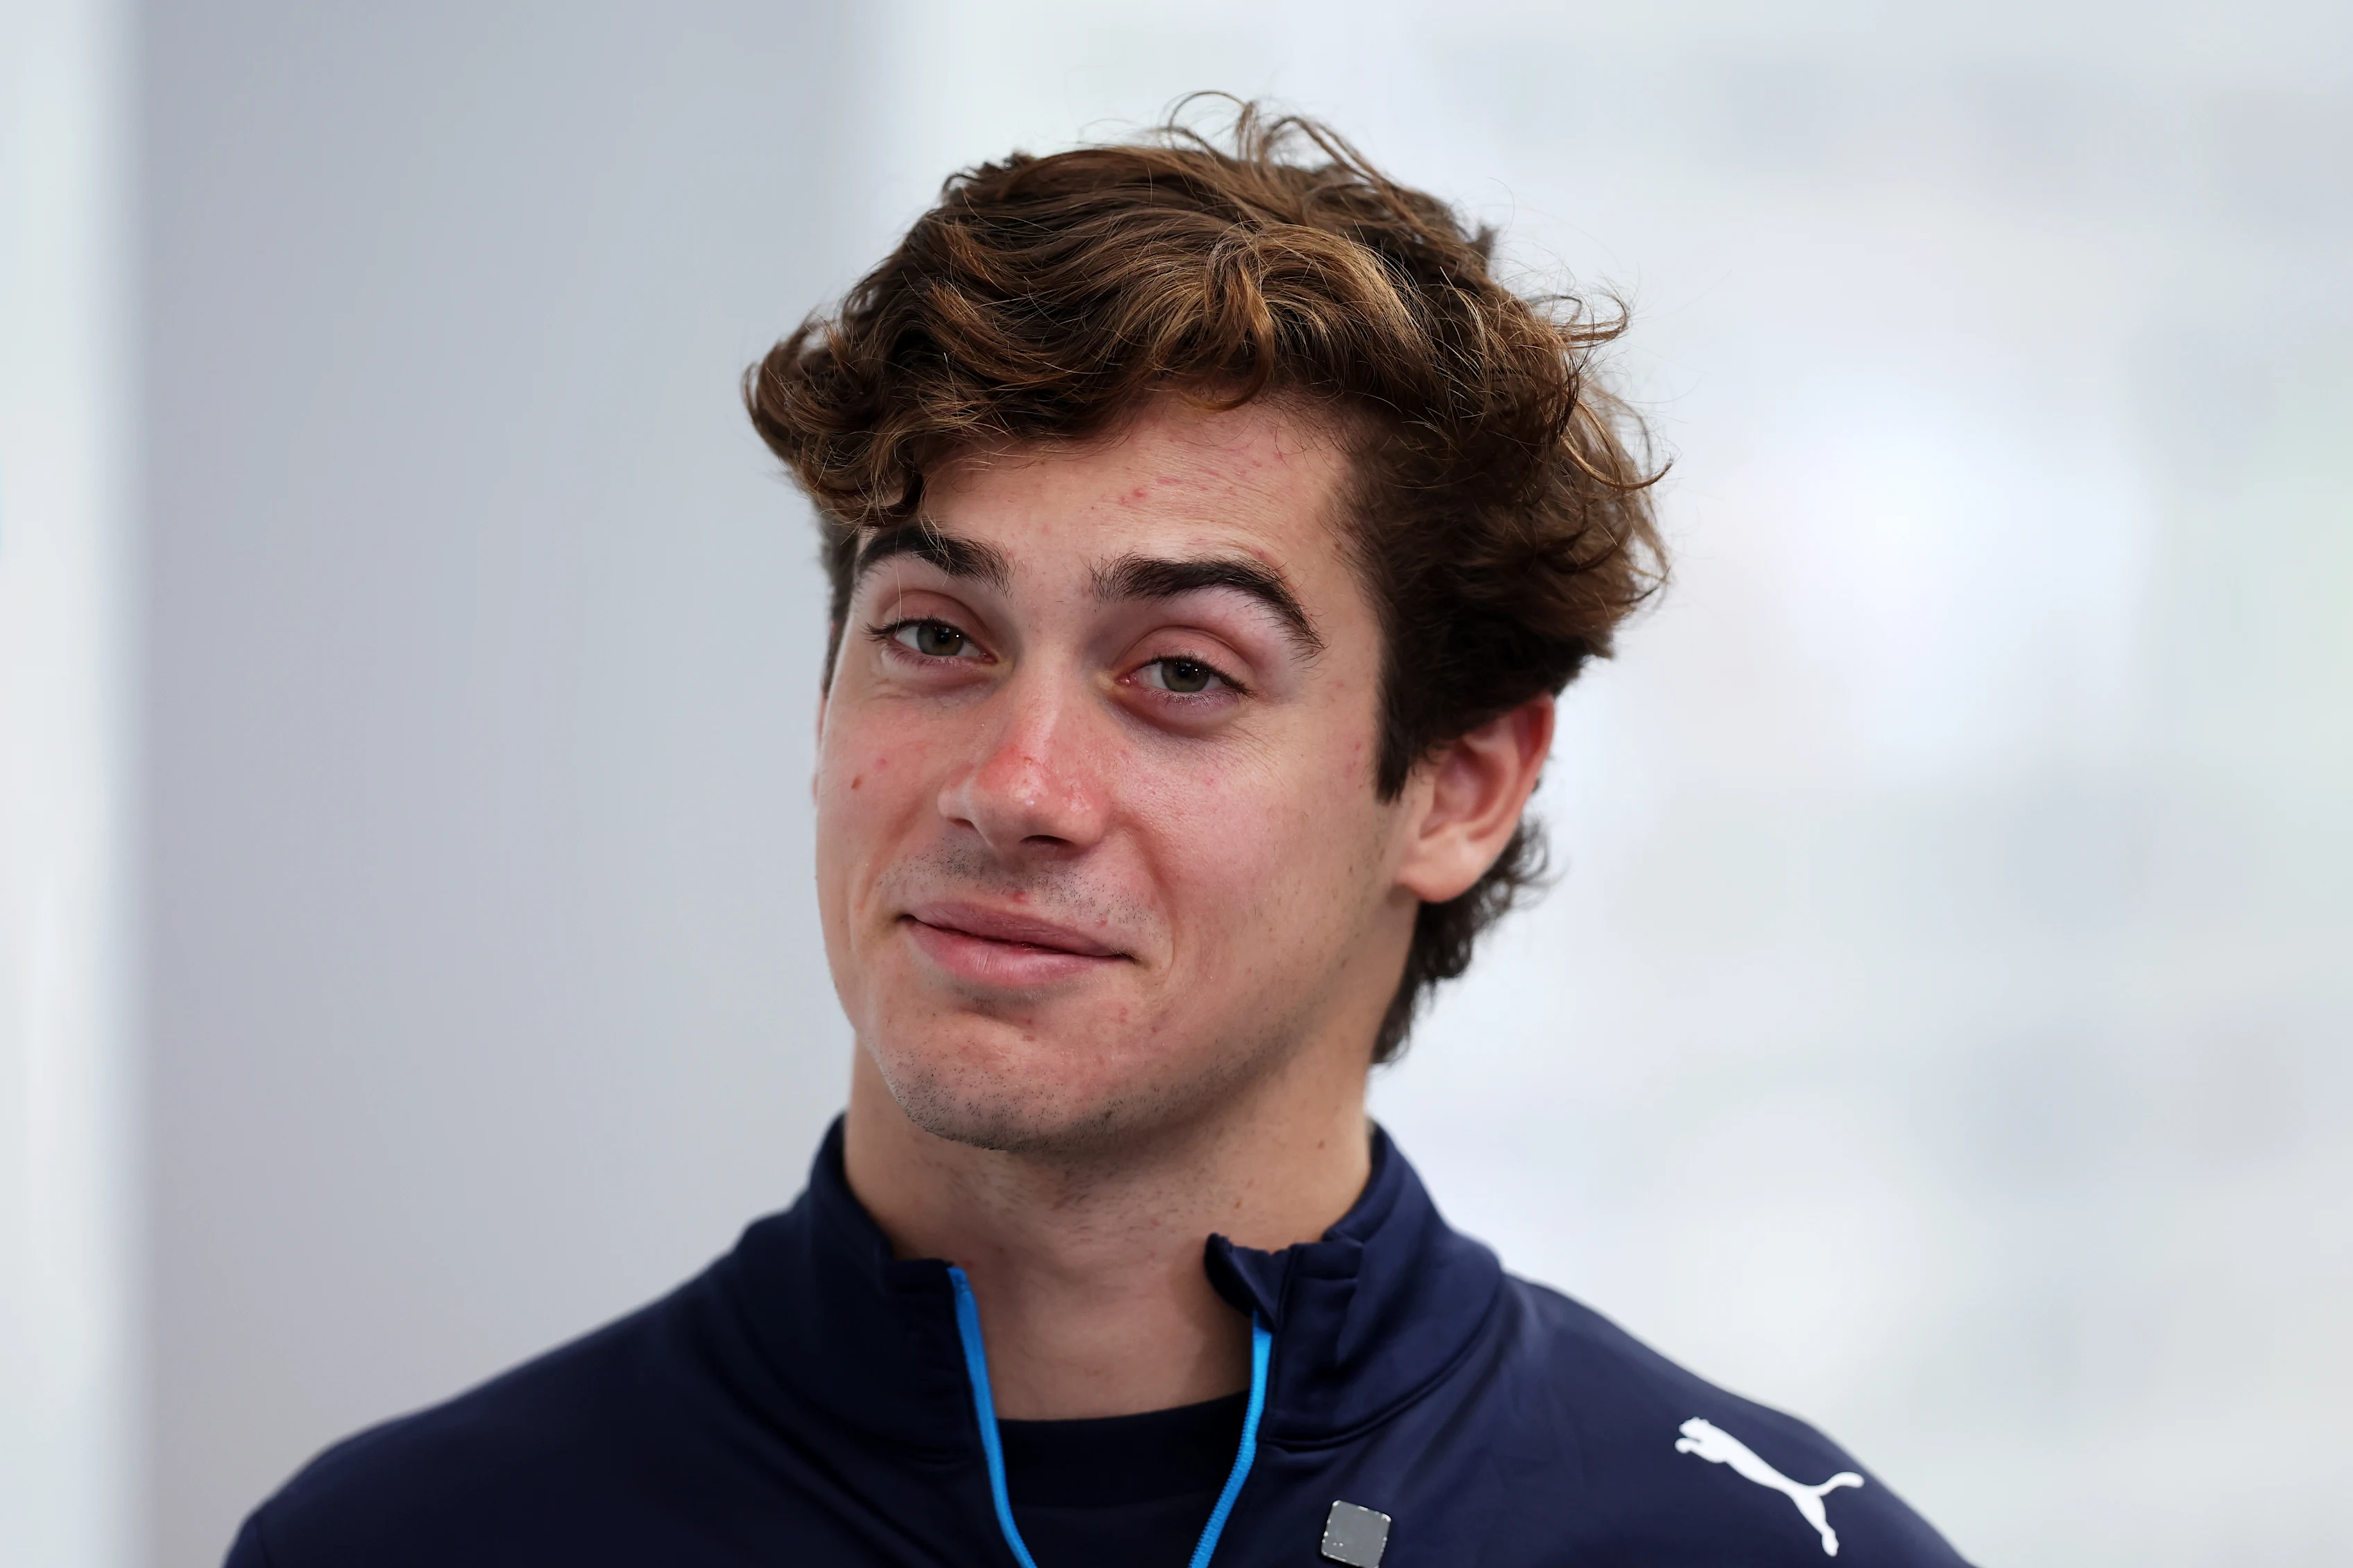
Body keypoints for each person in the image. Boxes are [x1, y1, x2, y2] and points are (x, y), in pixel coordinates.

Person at [225, 104, 1970, 1568]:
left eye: (1184, 671)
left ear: (1457, 786)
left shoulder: (1752, 1547)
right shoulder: (410, 1536)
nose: (1017, 782)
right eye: (933, 636)